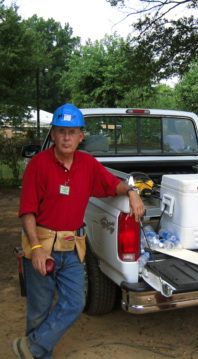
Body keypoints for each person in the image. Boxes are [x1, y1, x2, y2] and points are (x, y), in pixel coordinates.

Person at [12, 104, 145, 359]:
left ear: (81, 136)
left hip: (72, 247)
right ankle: (39, 353)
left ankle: (31, 349)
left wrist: (132, 192)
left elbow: (111, 184)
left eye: (72, 132)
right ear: (53, 134)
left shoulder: (87, 164)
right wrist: (36, 249)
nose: (66, 138)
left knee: (74, 303)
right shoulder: (38, 165)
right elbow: (27, 211)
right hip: (42, 245)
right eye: (61, 131)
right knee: (39, 309)